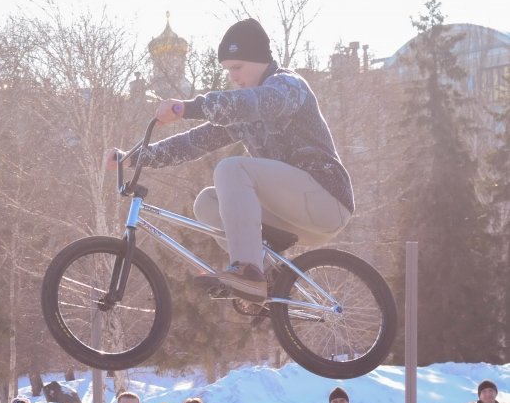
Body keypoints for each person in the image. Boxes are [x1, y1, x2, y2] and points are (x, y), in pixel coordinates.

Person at [109, 18, 352, 301]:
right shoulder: (244, 114)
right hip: (296, 217)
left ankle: (247, 271)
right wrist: (133, 157)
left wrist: (185, 107)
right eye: (228, 71)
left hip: (327, 199)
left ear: (259, 60)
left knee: (232, 168)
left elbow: (253, 102)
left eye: (238, 67)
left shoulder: (287, 86)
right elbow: (193, 143)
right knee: (208, 203)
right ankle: (268, 276)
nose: (234, 77)